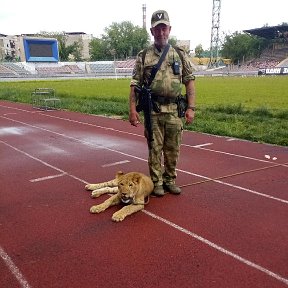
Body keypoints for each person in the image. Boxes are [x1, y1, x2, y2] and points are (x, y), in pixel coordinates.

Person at [129, 9, 196, 196]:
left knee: (173, 149)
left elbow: (189, 81)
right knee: (154, 149)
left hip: (175, 110)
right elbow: (134, 84)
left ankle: (170, 179)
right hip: (153, 110)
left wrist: (191, 108)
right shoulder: (144, 56)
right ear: (152, 31)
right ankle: (157, 182)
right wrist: (132, 110)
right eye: (157, 29)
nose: (161, 33)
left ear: (169, 29)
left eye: (164, 28)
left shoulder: (179, 54)